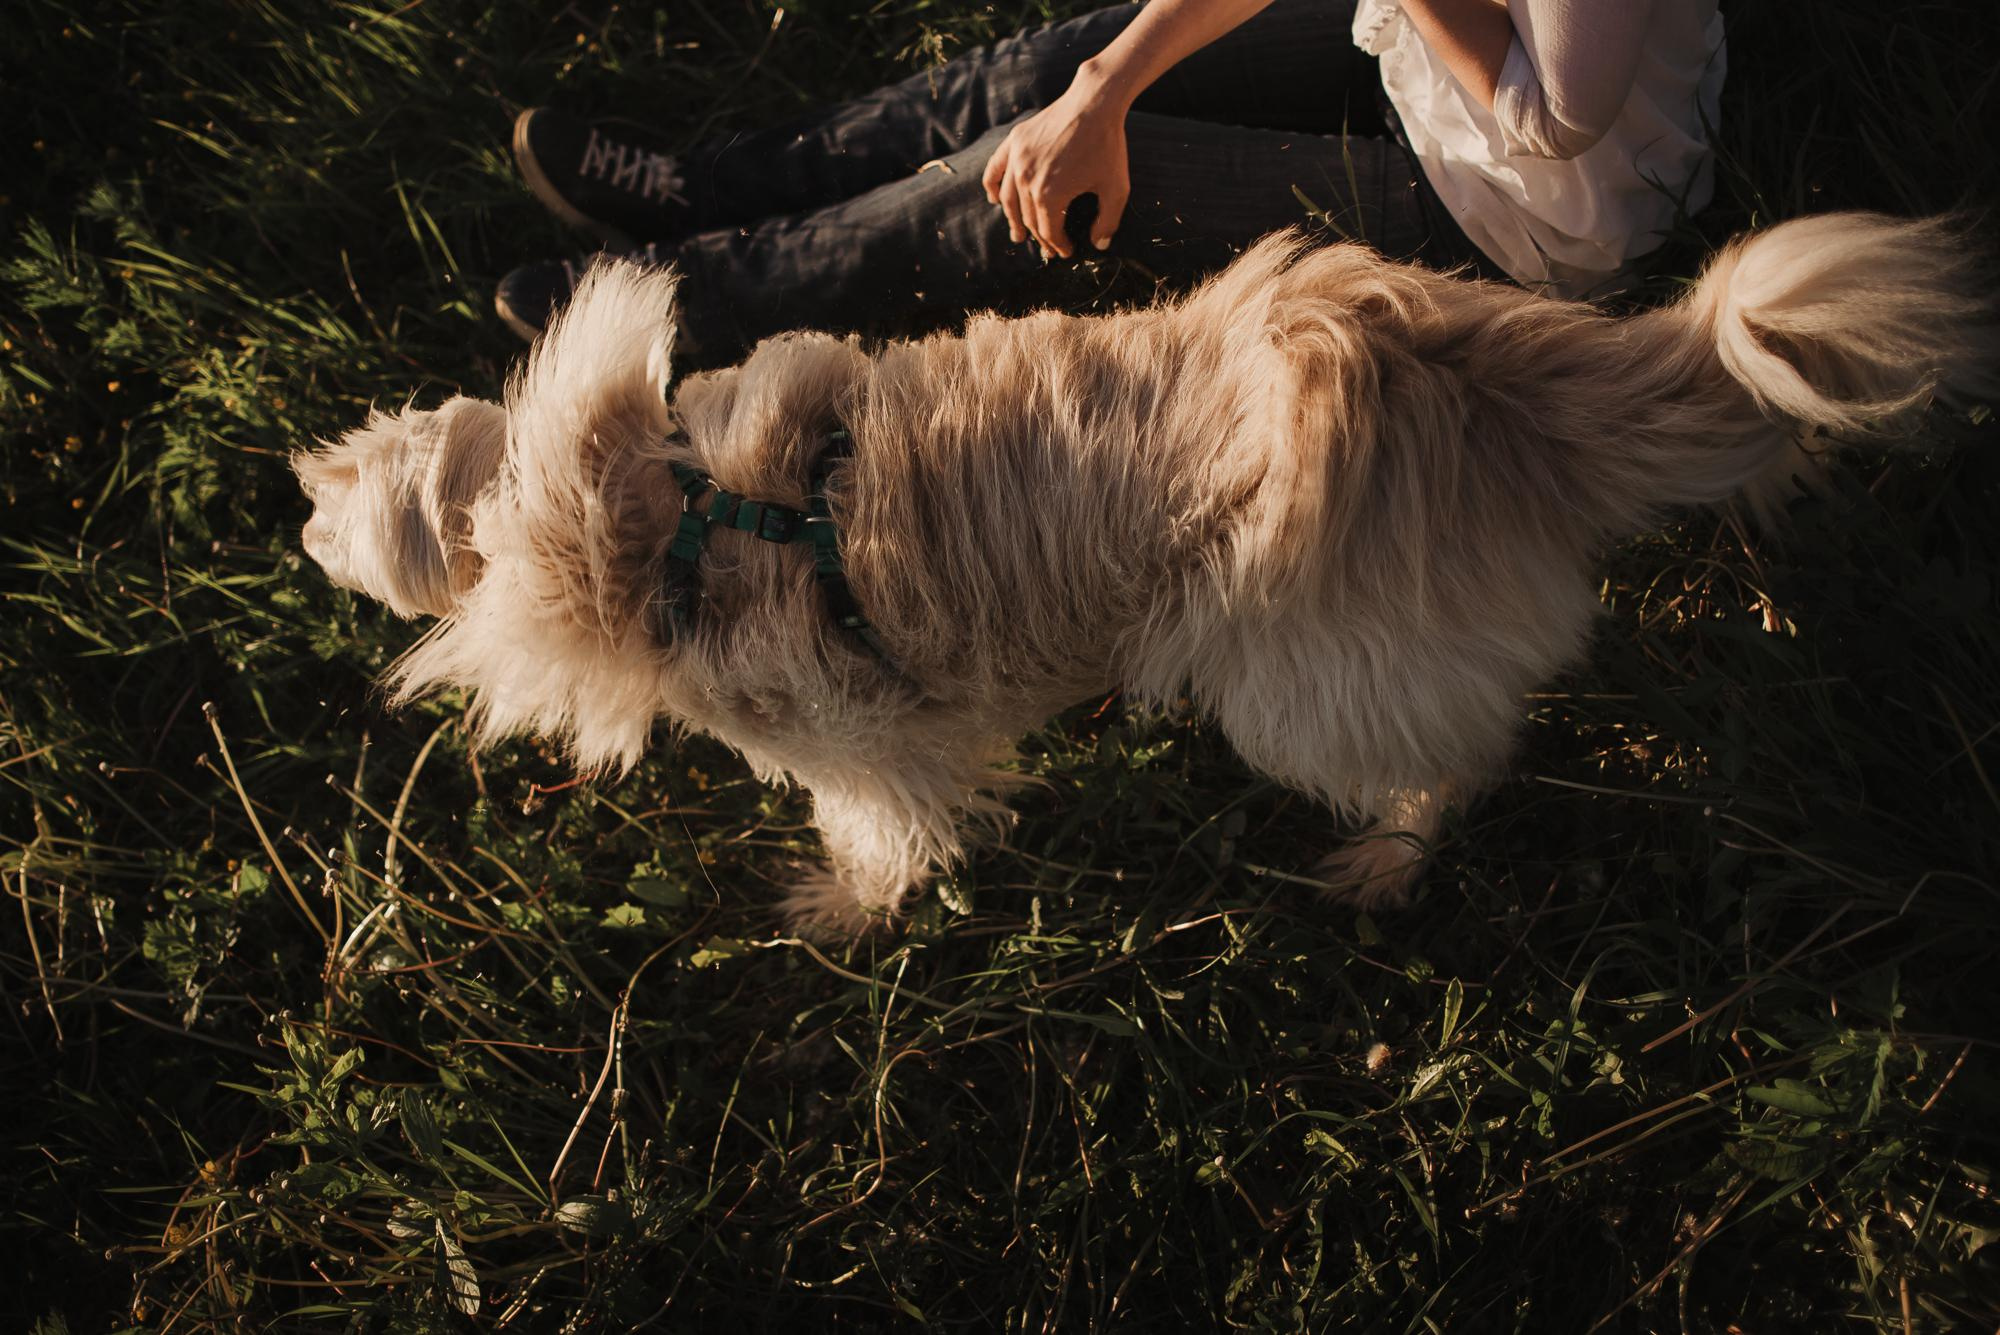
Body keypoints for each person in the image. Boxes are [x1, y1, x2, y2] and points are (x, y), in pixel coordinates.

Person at [494, 0, 1724, 361]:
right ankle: (712, 189)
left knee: (1009, 195)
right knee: (1048, 77)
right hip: (1420, 63)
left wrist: (1095, 121)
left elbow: (1551, 117)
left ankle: (685, 301)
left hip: (1519, 212)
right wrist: (1101, 88)